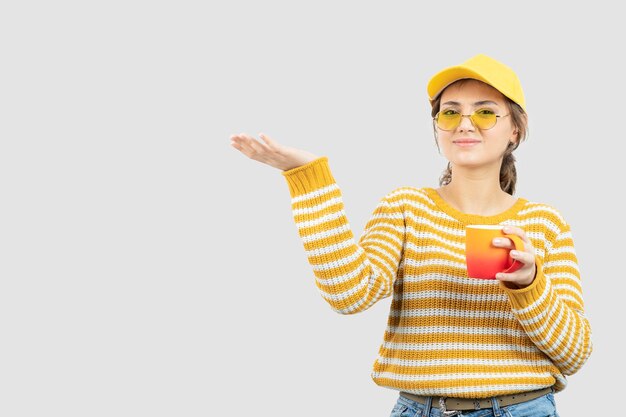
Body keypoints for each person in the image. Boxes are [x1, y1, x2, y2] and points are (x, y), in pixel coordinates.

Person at [229, 54, 592, 417]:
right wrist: (308, 176)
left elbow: (575, 353)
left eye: (485, 112)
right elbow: (347, 293)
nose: (465, 124)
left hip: (525, 409)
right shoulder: (405, 208)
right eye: (450, 113)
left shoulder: (545, 222)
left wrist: (530, 286)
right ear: (437, 127)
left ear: (515, 129)